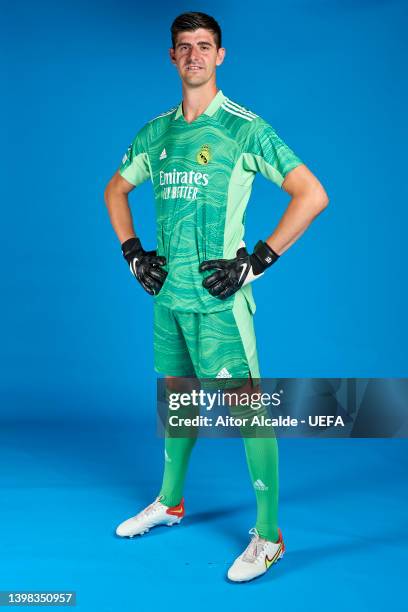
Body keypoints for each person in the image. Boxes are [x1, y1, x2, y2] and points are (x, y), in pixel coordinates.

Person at [104, 11, 328, 583]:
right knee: (176, 400)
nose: (195, 55)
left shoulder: (244, 127)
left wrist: (257, 262)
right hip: (168, 299)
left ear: (220, 56)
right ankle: (171, 502)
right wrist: (133, 252)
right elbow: (116, 188)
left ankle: (271, 537)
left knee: (249, 414)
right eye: (185, 47)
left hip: (220, 303)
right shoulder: (157, 132)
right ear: (173, 57)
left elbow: (311, 193)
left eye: (205, 46)